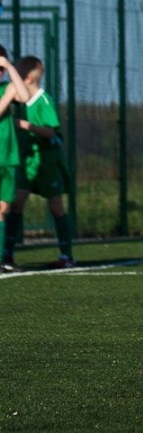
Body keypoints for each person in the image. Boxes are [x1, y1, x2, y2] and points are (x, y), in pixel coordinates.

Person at [3, 56, 75, 269]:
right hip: (27, 161)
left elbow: (50, 131)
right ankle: (7, 254)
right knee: (16, 202)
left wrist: (25, 125)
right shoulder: (19, 101)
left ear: (27, 79)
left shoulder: (43, 101)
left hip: (47, 162)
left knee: (55, 206)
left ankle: (66, 255)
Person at [0, 45, 31, 272]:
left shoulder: (8, 88)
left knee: (2, 209)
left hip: (7, 157)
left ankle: (3, 258)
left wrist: (10, 66)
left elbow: (25, 95)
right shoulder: (6, 93)